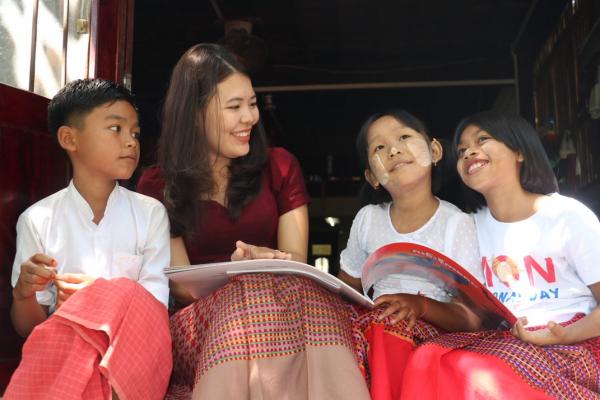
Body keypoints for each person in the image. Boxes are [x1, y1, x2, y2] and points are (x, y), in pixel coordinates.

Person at [137, 43, 370, 399]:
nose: (250, 117)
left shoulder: (280, 167)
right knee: (248, 296)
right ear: (194, 114)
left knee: (309, 300)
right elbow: (181, 288)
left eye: (252, 103)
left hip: (281, 311)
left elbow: (296, 264)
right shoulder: (157, 184)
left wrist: (261, 264)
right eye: (234, 107)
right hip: (203, 325)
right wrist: (240, 273)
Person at [401, 111, 600, 399]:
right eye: (461, 150)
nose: (469, 151)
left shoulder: (566, 215)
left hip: (572, 343)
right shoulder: (468, 227)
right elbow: (470, 313)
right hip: (505, 341)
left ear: (519, 151)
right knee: (426, 358)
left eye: (482, 139)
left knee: (478, 371)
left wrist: (562, 334)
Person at [5, 79, 172, 399]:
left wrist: (98, 299)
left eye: (135, 133)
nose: (131, 143)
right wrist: (24, 294)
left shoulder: (151, 214)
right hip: (65, 352)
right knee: (64, 333)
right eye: (116, 129)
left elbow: (154, 311)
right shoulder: (38, 219)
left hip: (131, 354)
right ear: (69, 138)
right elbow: (30, 329)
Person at [337, 109, 482, 400]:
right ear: (372, 176)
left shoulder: (456, 224)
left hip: (433, 334)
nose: (393, 149)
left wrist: (420, 305)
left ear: (434, 150)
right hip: (374, 325)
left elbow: (472, 317)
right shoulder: (367, 220)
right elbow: (345, 288)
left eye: (404, 136)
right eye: (379, 147)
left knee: (384, 329)